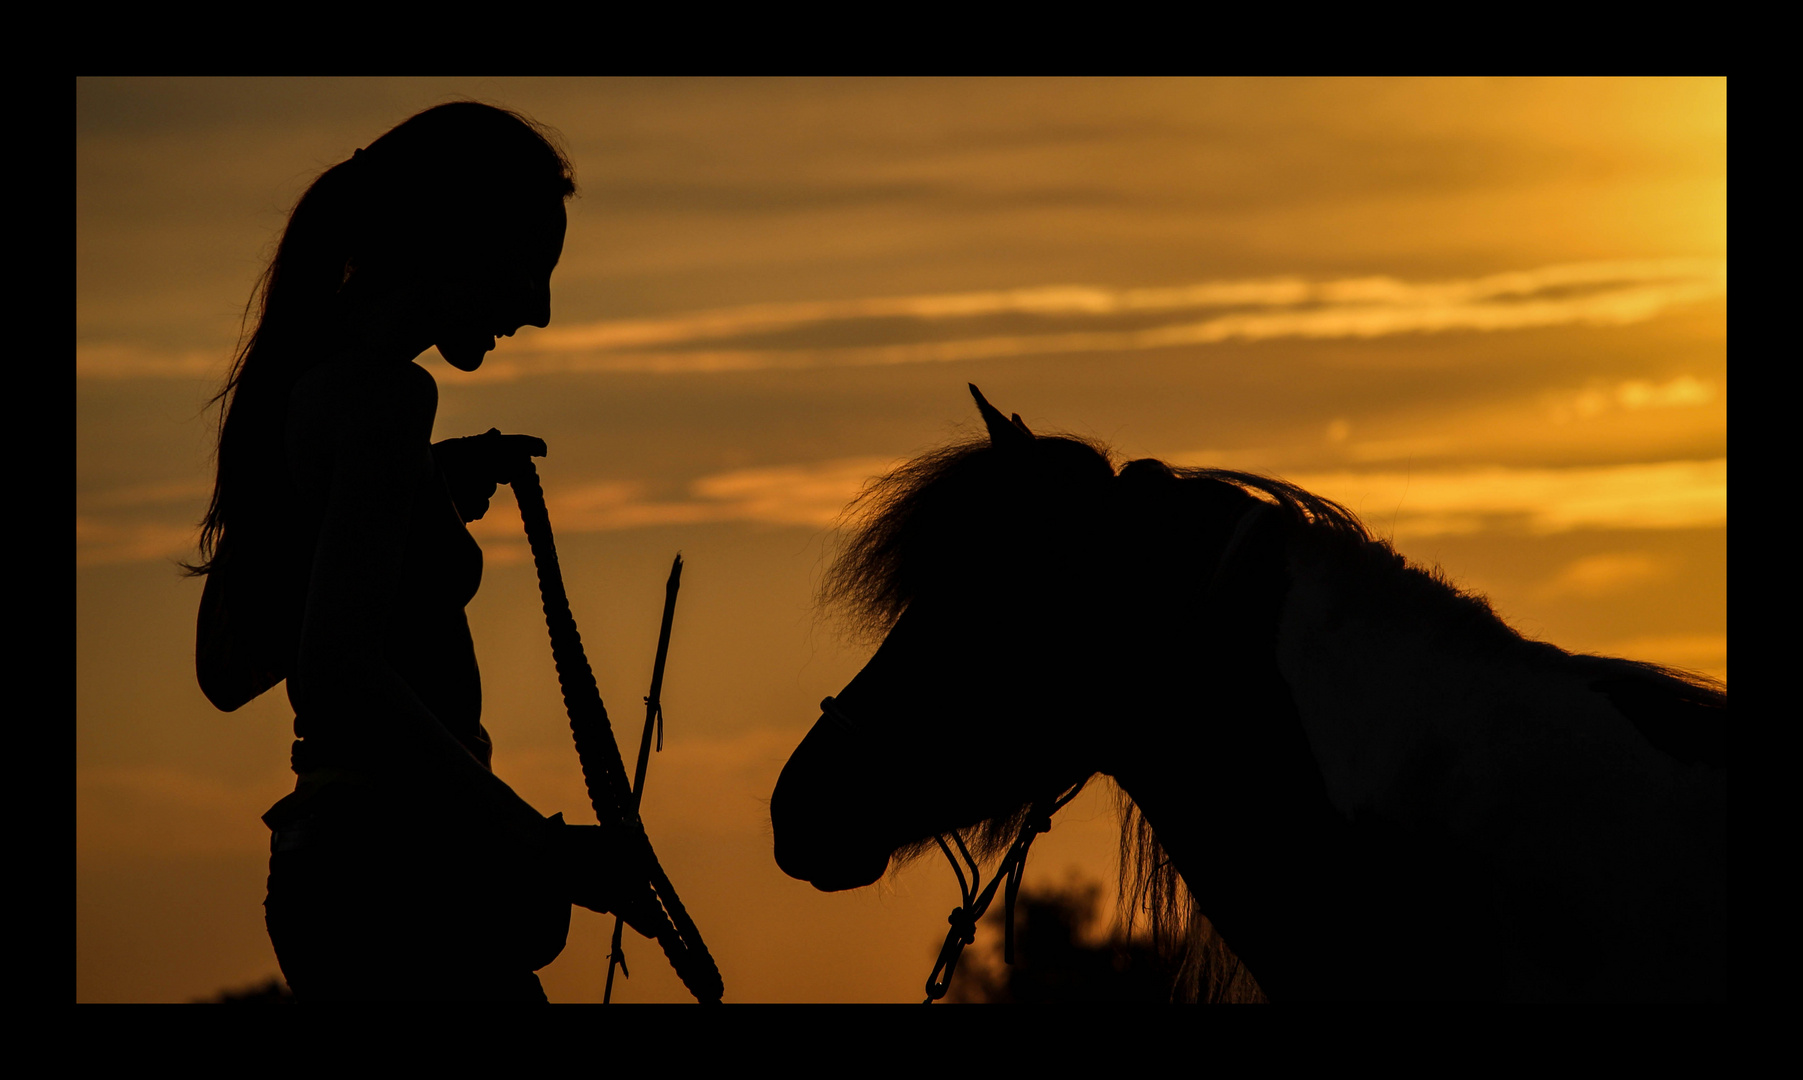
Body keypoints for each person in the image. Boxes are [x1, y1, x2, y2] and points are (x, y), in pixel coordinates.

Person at [191, 102, 653, 1001]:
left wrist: (415, 489)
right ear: (456, 243)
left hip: (330, 871)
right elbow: (338, 674)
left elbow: (228, 663)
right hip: (401, 880)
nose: (542, 309)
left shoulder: (311, 389)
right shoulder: (381, 400)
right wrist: (542, 847)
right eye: (528, 268)